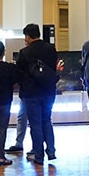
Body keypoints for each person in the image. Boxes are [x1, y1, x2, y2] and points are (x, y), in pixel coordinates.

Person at [17, 23, 59, 163]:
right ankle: (51, 151)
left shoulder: (25, 52)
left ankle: (39, 156)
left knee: (35, 124)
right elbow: (54, 68)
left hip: (31, 93)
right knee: (47, 121)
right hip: (48, 91)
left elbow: (19, 72)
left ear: (28, 36)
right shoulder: (51, 49)